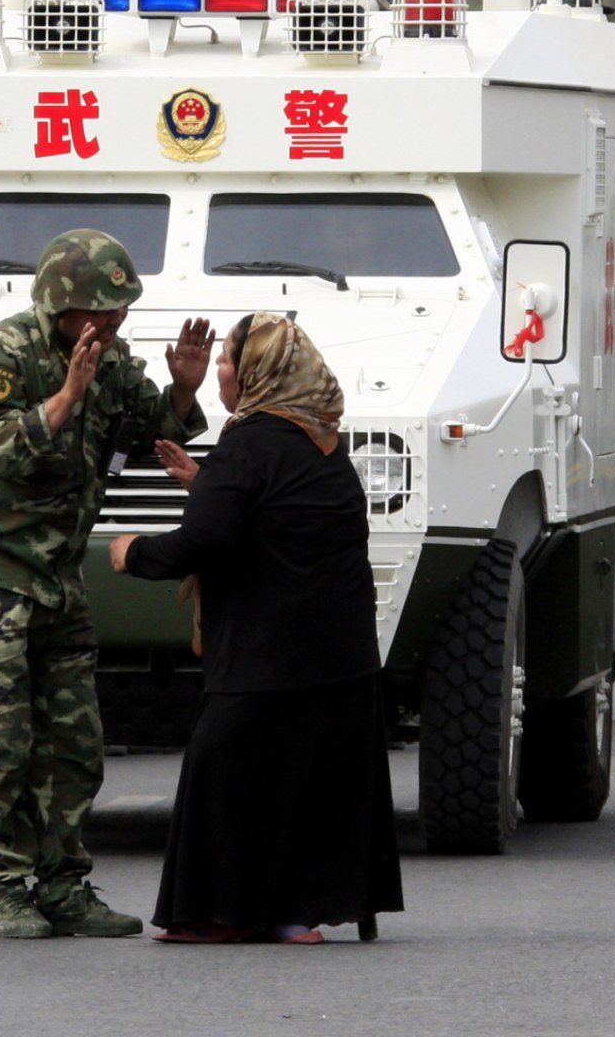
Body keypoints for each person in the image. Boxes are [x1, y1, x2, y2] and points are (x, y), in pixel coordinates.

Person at [0, 229, 212, 940]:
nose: (110, 323)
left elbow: (153, 431)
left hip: (56, 577)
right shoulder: (5, 352)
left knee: (75, 743)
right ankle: (5, 889)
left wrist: (182, 387)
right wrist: (64, 399)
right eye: (98, 310)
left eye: (118, 311)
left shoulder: (111, 363)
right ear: (59, 302)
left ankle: (63, 884)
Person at [109, 312, 401, 945]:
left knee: (229, 772)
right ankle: (298, 915)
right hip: (340, 651)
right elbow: (276, 511)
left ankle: (223, 913)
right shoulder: (319, 440)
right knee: (306, 781)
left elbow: (208, 540)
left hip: (269, 651)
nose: (220, 372)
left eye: (228, 362)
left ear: (259, 372)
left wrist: (132, 552)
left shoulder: (248, 442)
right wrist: (205, 480)